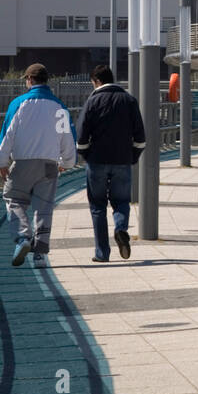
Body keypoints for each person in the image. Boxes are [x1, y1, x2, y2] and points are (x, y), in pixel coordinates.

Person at [0, 63, 77, 268]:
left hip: (22, 163)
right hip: (50, 165)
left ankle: (23, 238)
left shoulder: (18, 104)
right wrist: (67, 162)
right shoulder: (59, 107)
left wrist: (1, 161)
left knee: (14, 199)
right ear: (46, 81)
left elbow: (8, 135)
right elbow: (67, 138)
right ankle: (40, 254)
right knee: (44, 208)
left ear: (29, 80)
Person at [76, 64, 146, 263]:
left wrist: (86, 155)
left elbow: (81, 137)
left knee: (98, 206)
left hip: (96, 161)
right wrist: (133, 156)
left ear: (96, 81)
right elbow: (140, 136)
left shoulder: (92, 101)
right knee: (122, 201)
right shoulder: (129, 100)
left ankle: (102, 253)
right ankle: (121, 229)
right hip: (122, 160)